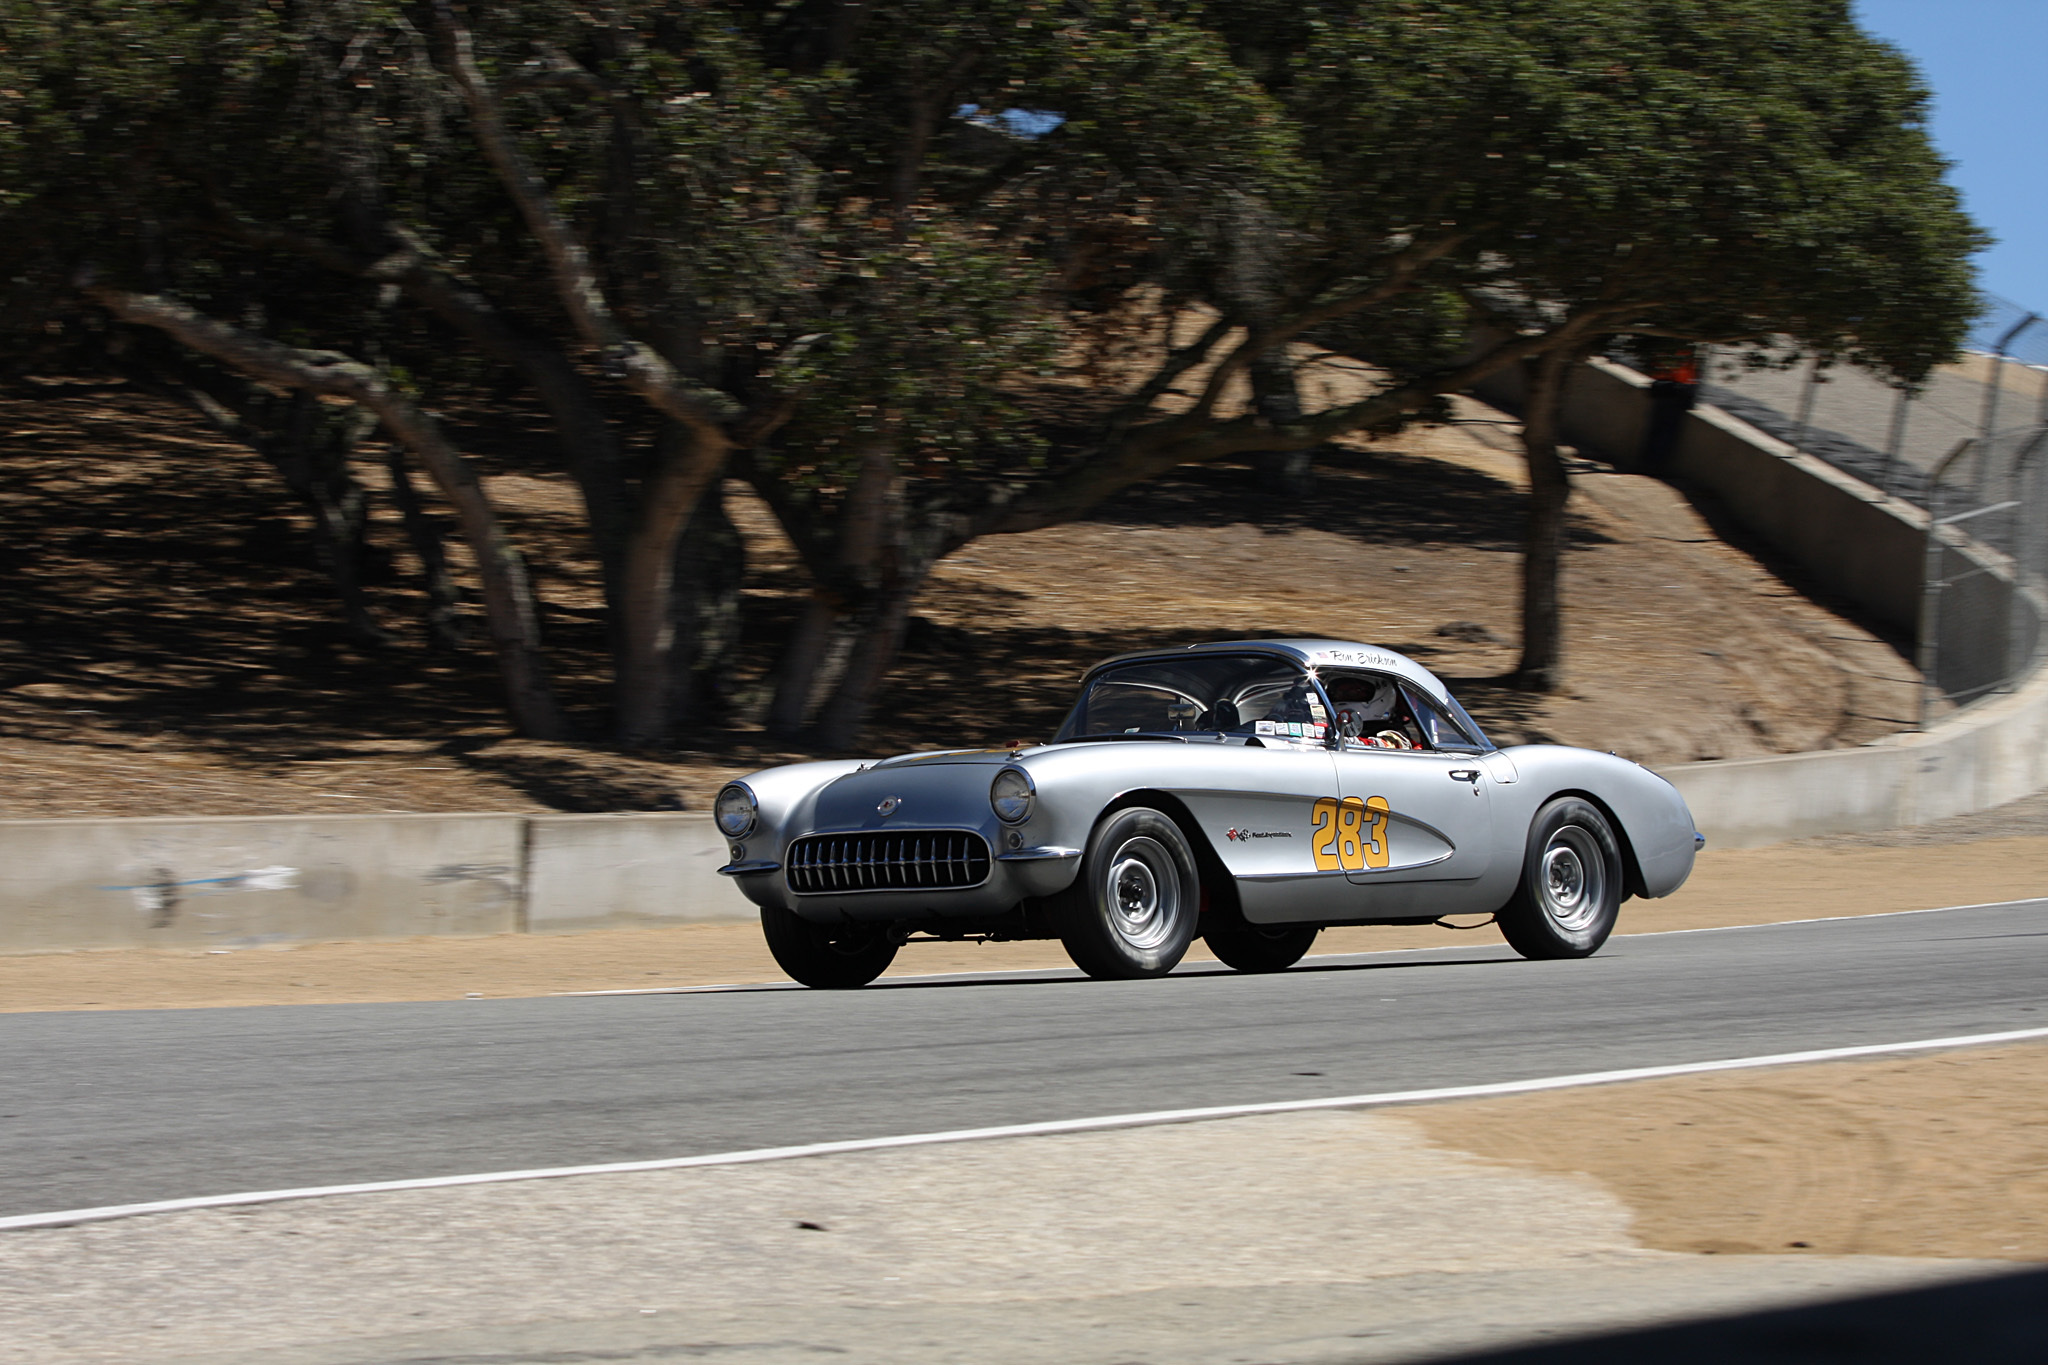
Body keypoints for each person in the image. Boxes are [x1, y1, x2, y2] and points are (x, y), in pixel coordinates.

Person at [1641, 347, 1699, 471]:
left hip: (1663, 389)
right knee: (1665, 433)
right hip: (1676, 390)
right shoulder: (1685, 350)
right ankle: (1655, 466)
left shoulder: (1666, 346)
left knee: (1656, 431)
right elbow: (1687, 374)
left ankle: (1648, 464)